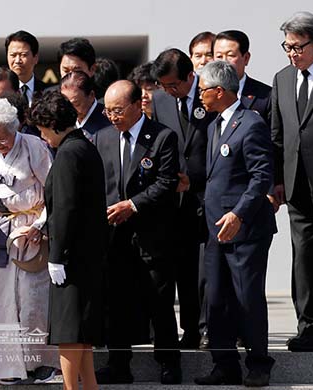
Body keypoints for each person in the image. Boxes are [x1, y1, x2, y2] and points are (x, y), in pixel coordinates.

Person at [0, 98, 58, 385]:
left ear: (13, 129)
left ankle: (37, 363)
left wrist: (39, 225)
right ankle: (4, 367)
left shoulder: (34, 147)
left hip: (31, 231)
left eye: (1, 138)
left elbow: (52, 191)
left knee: (32, 299)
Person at [195, 60, 276, 387]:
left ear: (219, 91)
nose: (199, 95)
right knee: (215, 299)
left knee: (247, 298)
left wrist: (239, 213)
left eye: (203, 90)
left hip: (246, 230)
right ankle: (224, 363)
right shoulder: (215, 125)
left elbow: (261, 176)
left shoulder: (250, 123)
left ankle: (258, 363)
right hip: (216, 229)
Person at [94, 80, 181, 385]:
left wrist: (133, 205)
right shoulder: (101, 138)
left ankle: (169, 362)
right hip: (115, 237)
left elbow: (166, 182)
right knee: (116, 302)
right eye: (107, 111)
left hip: (152, 234)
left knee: (159, 301)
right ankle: (119, 363)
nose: (112, 116)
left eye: (117, 110)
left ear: (136, 105)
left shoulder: (162, 137)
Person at [29, 90, 107, 390]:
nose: (42, 135)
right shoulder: (85, 147)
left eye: (43, 128)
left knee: (68, 333)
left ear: (54, 124)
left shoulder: (68, 153)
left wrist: (56, 256)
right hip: (88, 255)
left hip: (72, 257)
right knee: (81, 333)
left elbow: (64, 208)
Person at [272, 11, 313, 352]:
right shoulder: (282, 78)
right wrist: (277, 181)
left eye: (298, 47)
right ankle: (309, 325)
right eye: (287, 47)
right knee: (305, 257)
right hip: (296, 185)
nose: (292, 53)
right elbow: (277, 136)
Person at [152, 48, 216, 349]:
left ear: (191, 76)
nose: (169, 91)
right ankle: (189, 329)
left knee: (206, 271)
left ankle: (208, 328)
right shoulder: (160, 100)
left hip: (207, 195)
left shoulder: (210, 95)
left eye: (174, 85)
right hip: (174, 202)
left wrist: (197, 182)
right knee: (183, 270)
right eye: (164, 86)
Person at [213, 30, 272, 123]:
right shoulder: (206, 95)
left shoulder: (266, 96)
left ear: (246, 58)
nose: (224, 62)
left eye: (230, 55)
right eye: (219, 56)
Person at [60, 70, 108, 143]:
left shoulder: (108, 120)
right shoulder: (63, 120)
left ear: (91, 95)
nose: (71, 109)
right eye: (67, 104)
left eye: (76, 104)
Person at [6, 30, 47, 106]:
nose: (17, 61)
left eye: (23, 55)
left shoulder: (47, 92)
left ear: (35, 58)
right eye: (13, 55)